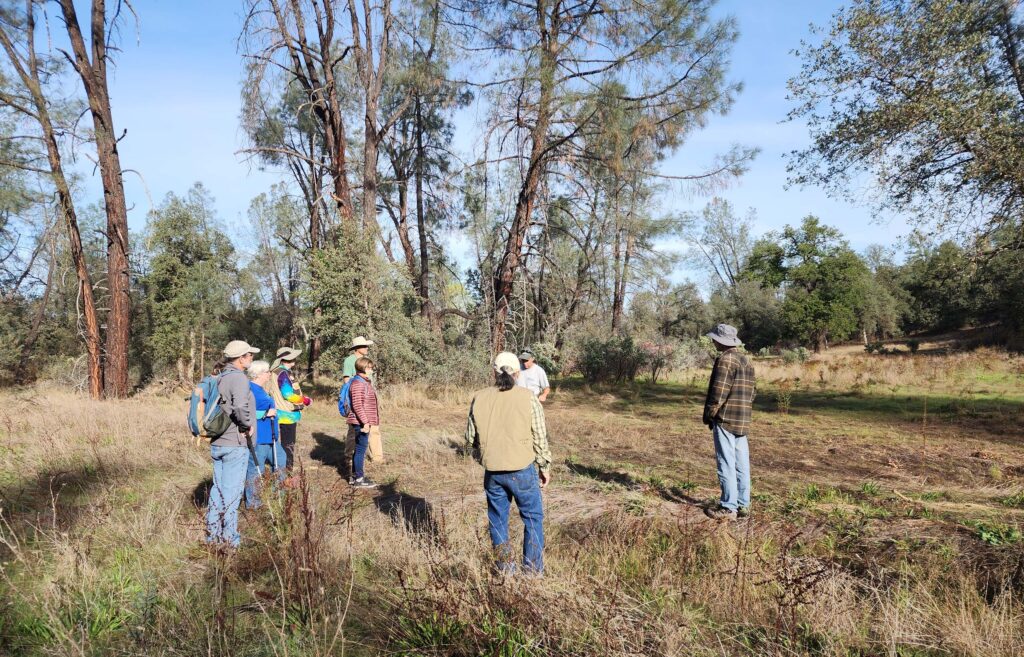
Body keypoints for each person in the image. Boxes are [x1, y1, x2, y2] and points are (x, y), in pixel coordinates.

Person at [465, 352, 552, 575]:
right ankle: (532, 572)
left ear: (494, 372)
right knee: (532, 518)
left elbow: (470, 438)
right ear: (517, 373)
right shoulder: (528, 397)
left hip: (492, 471)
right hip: (522, 468)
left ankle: (505, 570)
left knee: (497, 521)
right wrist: (544, 466)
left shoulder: (479, 397)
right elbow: (539, 436)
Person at [207, 339, 259, 547]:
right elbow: (239, 406)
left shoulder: (221, 376)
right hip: (234, 443)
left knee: (217, 490)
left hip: (218, 441)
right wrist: (247, 424)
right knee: (231, 493)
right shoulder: (238, 378)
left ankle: (212, 536)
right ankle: (230, 541)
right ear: (241, 358)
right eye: (250, 355)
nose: (252, 358)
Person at [702, 324, 756, 521]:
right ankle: (743, 505)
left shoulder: (725, 360)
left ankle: (728, 507)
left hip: (725, 419)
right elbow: (753, 393)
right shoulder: (746, 361)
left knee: (725, 463)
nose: (713, 341)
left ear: (721, 341)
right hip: (743, 420)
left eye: (715, 339)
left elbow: (718, 393)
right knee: (742, 464)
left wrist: (709, 414)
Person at [244, 360, 287, 508]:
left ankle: (278, 496)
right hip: (259, 437)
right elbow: (244, 413)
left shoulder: (262, 389)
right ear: (260, 374)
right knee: (256, 470)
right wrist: (264, 413)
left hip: (271, 437)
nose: (269, 374)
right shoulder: (249, 389)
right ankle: (254, 504)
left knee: (281, 460)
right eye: (267, 372)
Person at [269, 346, 311, 470]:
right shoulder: (283, 373)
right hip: (287, 414)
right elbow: (288, 394)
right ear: (288, 359)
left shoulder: (276, 371)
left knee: (282, 444)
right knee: (288, 445)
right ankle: (287, 473)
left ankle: (281, 470)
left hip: (280, 413)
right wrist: (305, 400)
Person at [345, 357, 379, 488]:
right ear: (364, 368)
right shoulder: (358, 383)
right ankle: (359, 479)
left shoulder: (362, 382)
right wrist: (365, 422)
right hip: (360, 422)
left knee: (358, 449)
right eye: (370, 367)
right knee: (360, 450)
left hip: (361, 421)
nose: (371, 370)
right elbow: (358, 405)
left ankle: (355, 477)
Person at [342, 336, 374, 465]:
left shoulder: (366, 361)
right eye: (364, 346)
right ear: (357, 348)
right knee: (353, 429)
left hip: (367, 399)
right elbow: (346, 380)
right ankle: (349, 456)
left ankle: (376, 456)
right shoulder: (349, 361)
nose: (367, 348)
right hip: (355, 398)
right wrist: (355, 397)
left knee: (373, 427)